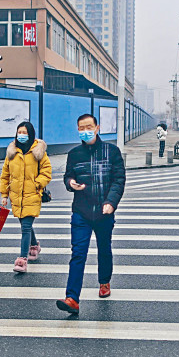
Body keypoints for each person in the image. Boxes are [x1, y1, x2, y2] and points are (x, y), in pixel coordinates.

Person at [56, 113, 126, 314]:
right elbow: (68, 175)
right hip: (81, 212)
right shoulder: (74, 154)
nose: (85, 131)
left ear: (97, 128)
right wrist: (71, 183)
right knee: (78, 253)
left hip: (104, 211)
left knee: (104, 249)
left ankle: (104, 281)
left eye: (89, 127)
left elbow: (119, 179)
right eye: (81, 128)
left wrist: (111, 202)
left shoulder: (112, 152)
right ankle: (72, 299)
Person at [0, 122, 52, 273]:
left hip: (32, 194)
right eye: (19, 132)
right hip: (16, 196)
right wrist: (4, 195)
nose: (21, 135)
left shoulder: (38, 152)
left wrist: (37, 184)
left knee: (26, 226)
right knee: (25, 224)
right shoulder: (11, 152)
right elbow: (5, 175)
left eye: (24, 132)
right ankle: (34, 246)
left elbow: (47, 171)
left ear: (30, 134)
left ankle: (22, 259)